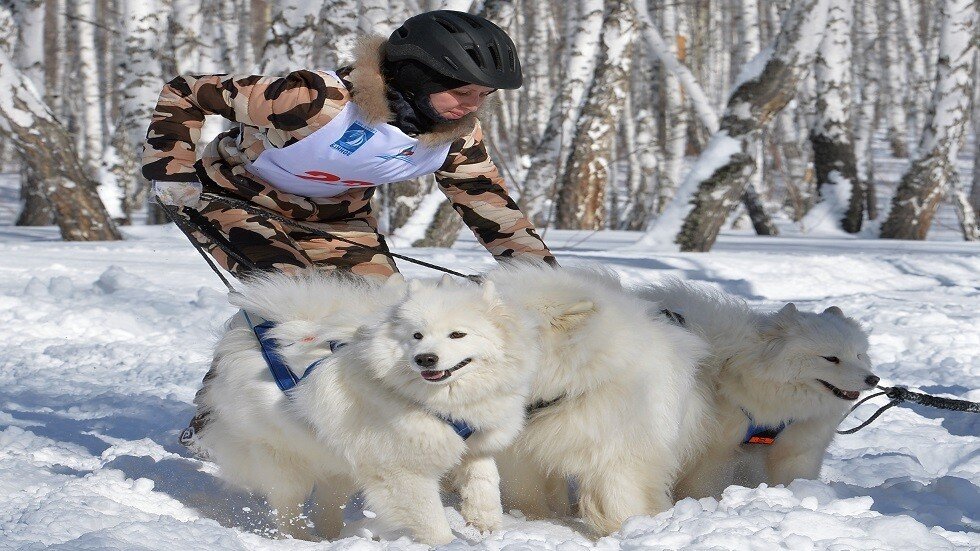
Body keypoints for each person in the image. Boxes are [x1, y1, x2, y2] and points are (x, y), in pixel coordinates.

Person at [142, 9, 556, 280]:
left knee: (387, 322)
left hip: (337, 220)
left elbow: (489, 204)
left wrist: (545, 284)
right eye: (463, 92)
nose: (472, 107)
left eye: (484, 96)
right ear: (418, 76)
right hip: (235, 201)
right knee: (294, 306)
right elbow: (187, 92)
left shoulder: (457, 135)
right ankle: (219, 415)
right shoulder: (316, 101)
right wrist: (171, 168)